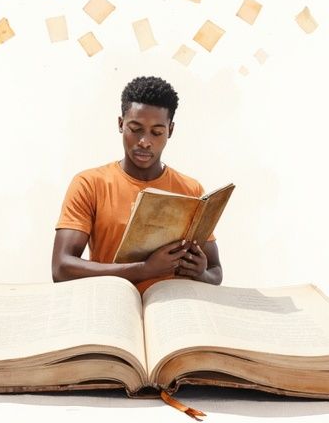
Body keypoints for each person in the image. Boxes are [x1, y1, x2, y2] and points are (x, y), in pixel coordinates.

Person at [52, 76, 222, 293]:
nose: (145, 142)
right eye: (135, 129)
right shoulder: (89, 184)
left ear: (170, 130)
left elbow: (216, 271)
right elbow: (61, 268)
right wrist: (145, 269)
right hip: (113, 301)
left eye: (157, 132)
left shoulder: (191, 190)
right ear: (120, 124)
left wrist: (201, 273)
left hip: (172, 305)